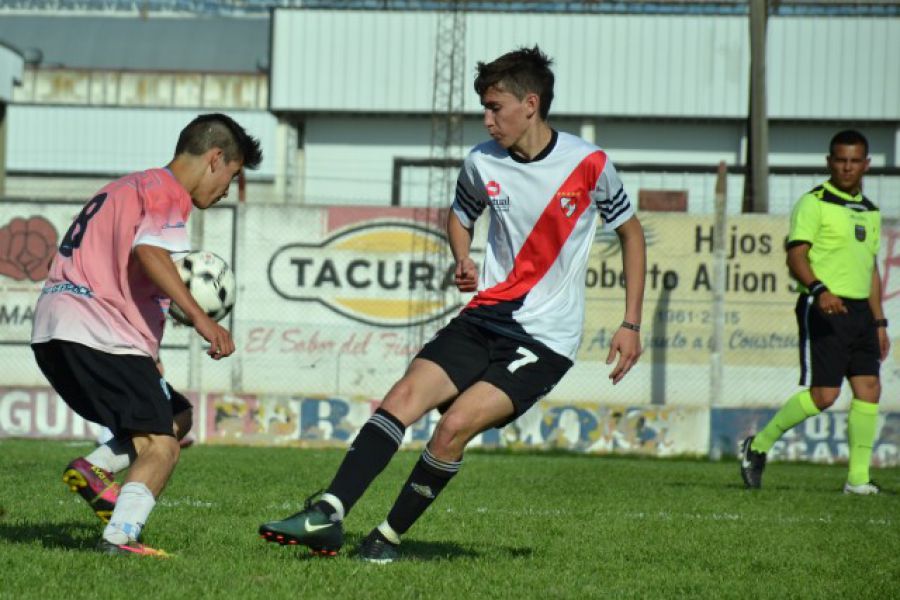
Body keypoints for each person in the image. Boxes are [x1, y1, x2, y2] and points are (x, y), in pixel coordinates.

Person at [259, 46, 646, 562]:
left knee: (453, 426)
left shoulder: (589, 163)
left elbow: (632, 233)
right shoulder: (481, 162)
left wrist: (630, 323)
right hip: (485, 315)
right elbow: (461, 214)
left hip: (545, 337)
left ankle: (386, 539)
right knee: (401, 398)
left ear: (530, 104)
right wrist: (462, 256)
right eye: (484, 108)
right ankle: (327, 513)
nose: (487, 120)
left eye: (495, 107)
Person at [32, 113, 262, 556]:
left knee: (177, 415)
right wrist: (201, 317)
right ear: (215, 159)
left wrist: (150, 357)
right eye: (231, 178)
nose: (226, 191)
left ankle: (94, 469)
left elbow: (127, 271)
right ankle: (120, 539)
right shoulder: (167, 191)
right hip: (93, 330)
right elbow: (150, 253)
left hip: (56, 332)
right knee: (162, 446)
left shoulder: (124, 187)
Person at [740, 129, 888, 495]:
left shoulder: (870, 212)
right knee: (824, 396)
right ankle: (758, 445)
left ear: (866, 164)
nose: (848, 167)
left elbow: (870, 268)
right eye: (841, 160)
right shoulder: (814, 202)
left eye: (855, 161)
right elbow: (795, 255)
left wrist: (880, 320)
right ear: (829, 162)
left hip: (861, 314)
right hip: (824, 306)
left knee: (869, 389)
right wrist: (819, 289)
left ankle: (857, 480)